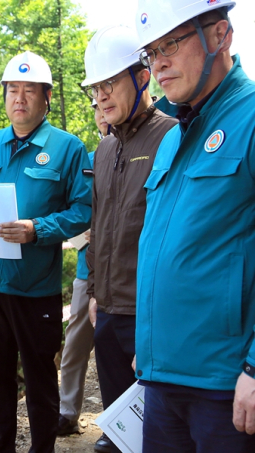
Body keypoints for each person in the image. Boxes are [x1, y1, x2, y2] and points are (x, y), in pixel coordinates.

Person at [134, 0, 255, 451]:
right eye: (151, 52)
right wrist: (148, 342)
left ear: (220, 35)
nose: (158, 63)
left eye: (171, 44)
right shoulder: (171, 138)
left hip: (225, 385)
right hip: (163, 377)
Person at [0, 50, 92, 453]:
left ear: (46, 97)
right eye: (12, 90)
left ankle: (42, 449)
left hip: (35, 290)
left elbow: (84, 210)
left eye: (28, 90)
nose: (19, 98)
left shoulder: (68, 149)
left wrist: (38, 229)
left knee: (39, 380)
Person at [81, 24, 178, 453]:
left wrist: (157, 325)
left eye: (110, 83)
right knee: (120, 436)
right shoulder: (103, 150)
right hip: (109, 313)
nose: (101, 96)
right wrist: (95, 293)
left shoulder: (174, 136)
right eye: (95, 88)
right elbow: (99, 225)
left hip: (151, 317)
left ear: (142, 77)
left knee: (158, 434)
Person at [57, 99, 108, 437]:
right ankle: (66, 412)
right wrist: (80, 236)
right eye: (97, 111)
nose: (102, 116)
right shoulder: (86, 162)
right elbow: (65, 210)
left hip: (127, 275)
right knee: (76, 344)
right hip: (86, 272)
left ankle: (119, 424)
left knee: (116, 352)